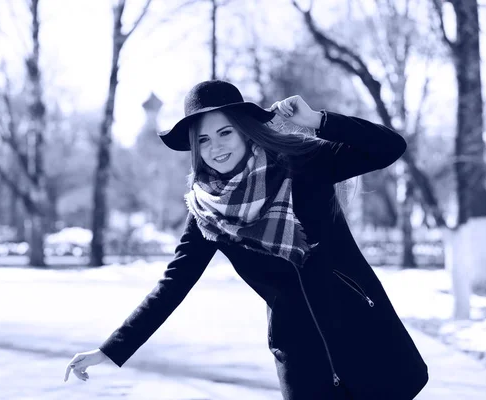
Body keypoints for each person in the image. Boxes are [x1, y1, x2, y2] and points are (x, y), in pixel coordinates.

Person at [63, 80, 429, 399]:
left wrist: (318, 120)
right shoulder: (208, 213)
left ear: (244, 130)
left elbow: (388, 147)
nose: (215, 147)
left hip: (361, 332)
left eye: (224, 132)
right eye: (203, 140)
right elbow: (172, 285)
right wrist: (110, 350)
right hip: (301, 357)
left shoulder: (301, 163)